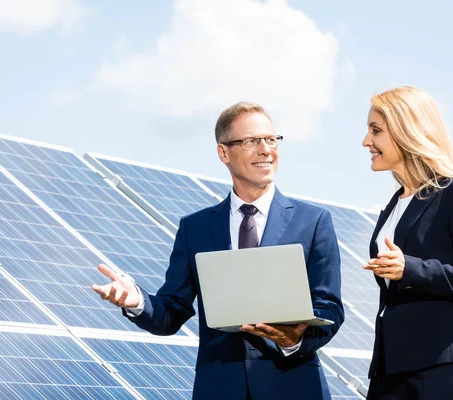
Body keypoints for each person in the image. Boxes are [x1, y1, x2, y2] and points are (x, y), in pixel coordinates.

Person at [92, 101, 344, 399]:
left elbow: (329, 307)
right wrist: (136, 302)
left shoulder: (313, 222)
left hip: (294, 385)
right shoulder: (195, 228)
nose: (266, 149)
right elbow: (172, 311)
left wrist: (293, 339)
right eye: (251, 141)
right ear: (224, 152)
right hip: (221, 387)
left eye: (271, 139)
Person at [361, 85, 453, 399]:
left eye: (376, 130)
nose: (366, 141)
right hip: (390, 374)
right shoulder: (394, 204)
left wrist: (410, 268)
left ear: (406, 130)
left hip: (442, 374)